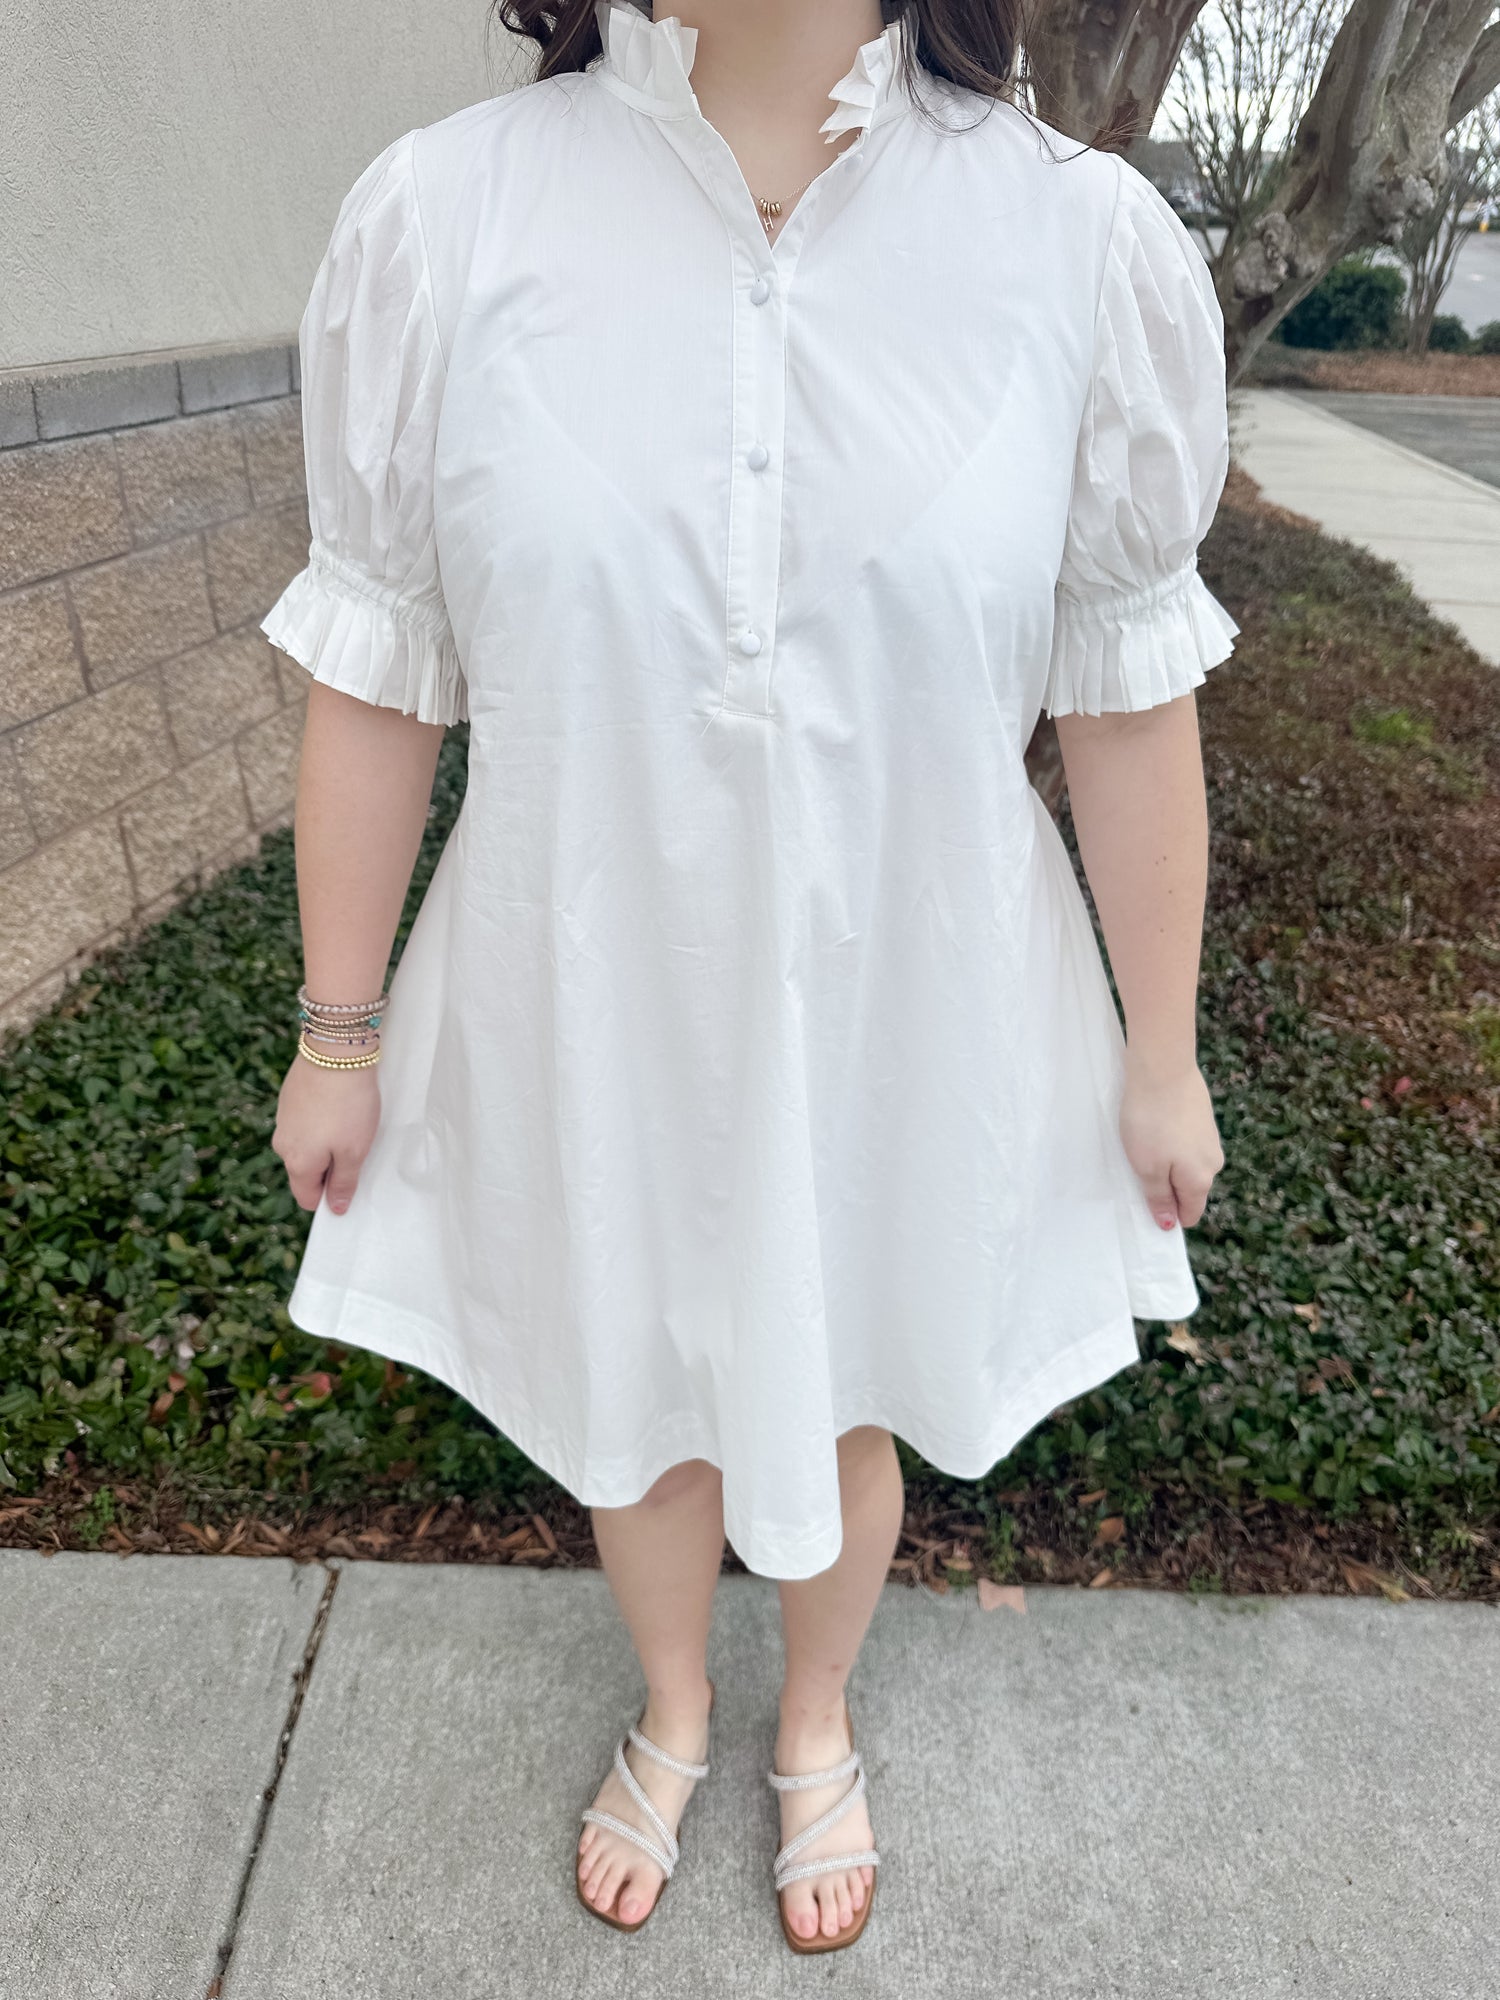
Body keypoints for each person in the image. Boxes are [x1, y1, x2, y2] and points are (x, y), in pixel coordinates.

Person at [264, 0, 1235, 1956]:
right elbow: (377, 669)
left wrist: (1164, 1052)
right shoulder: (446, 220)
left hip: (908, 994)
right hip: (585, 976)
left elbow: (1129, 697)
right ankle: (677, 1701)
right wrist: (338, 1031)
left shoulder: (1076, 243)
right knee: (633, 1384)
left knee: (846, 1376)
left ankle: (814, 1712)